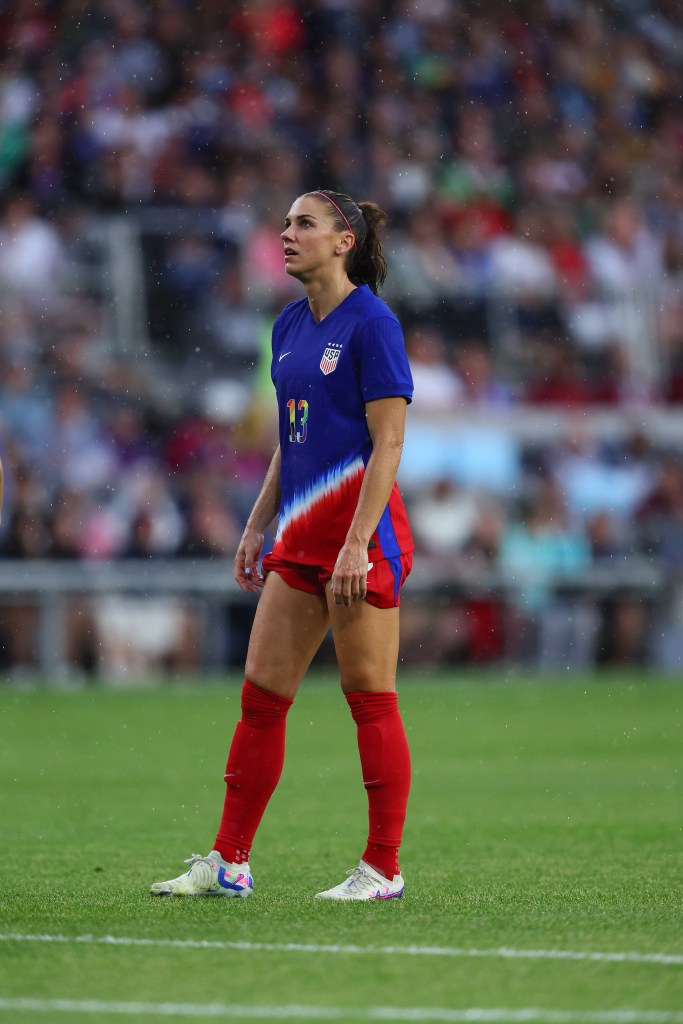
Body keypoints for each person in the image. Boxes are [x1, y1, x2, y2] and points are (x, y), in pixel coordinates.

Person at [151, 189, 415, 901]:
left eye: (303, 223)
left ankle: (382, 869)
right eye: (286, 223)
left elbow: (387, 439)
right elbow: (290, 439)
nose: (286, 233)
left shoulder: (373, 325)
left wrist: (357, 543)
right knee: (261, 698)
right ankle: (229, 861)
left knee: (368, 698)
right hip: (298, 539)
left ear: (342, 242)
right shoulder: (288, 326)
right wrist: (255, 523)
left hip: (360, 540)